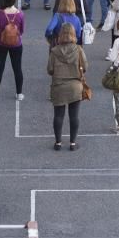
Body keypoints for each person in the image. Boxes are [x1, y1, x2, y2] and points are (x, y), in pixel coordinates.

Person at [47, 23, 88, 151]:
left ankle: (58, 142)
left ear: (60, 35)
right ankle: (73, 143)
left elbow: (50, 70)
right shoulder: (79, 49)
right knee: (74, 116)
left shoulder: (54, 51)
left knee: (58, 116)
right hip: (75, 86)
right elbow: (85, 67)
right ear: (73, 34)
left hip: (59, 86)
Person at [0, 0, 25, 102]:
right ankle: (19, 93)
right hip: (16, 45)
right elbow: (22, 30)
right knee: (17, 68)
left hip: (1, 44)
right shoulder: (20, 14)